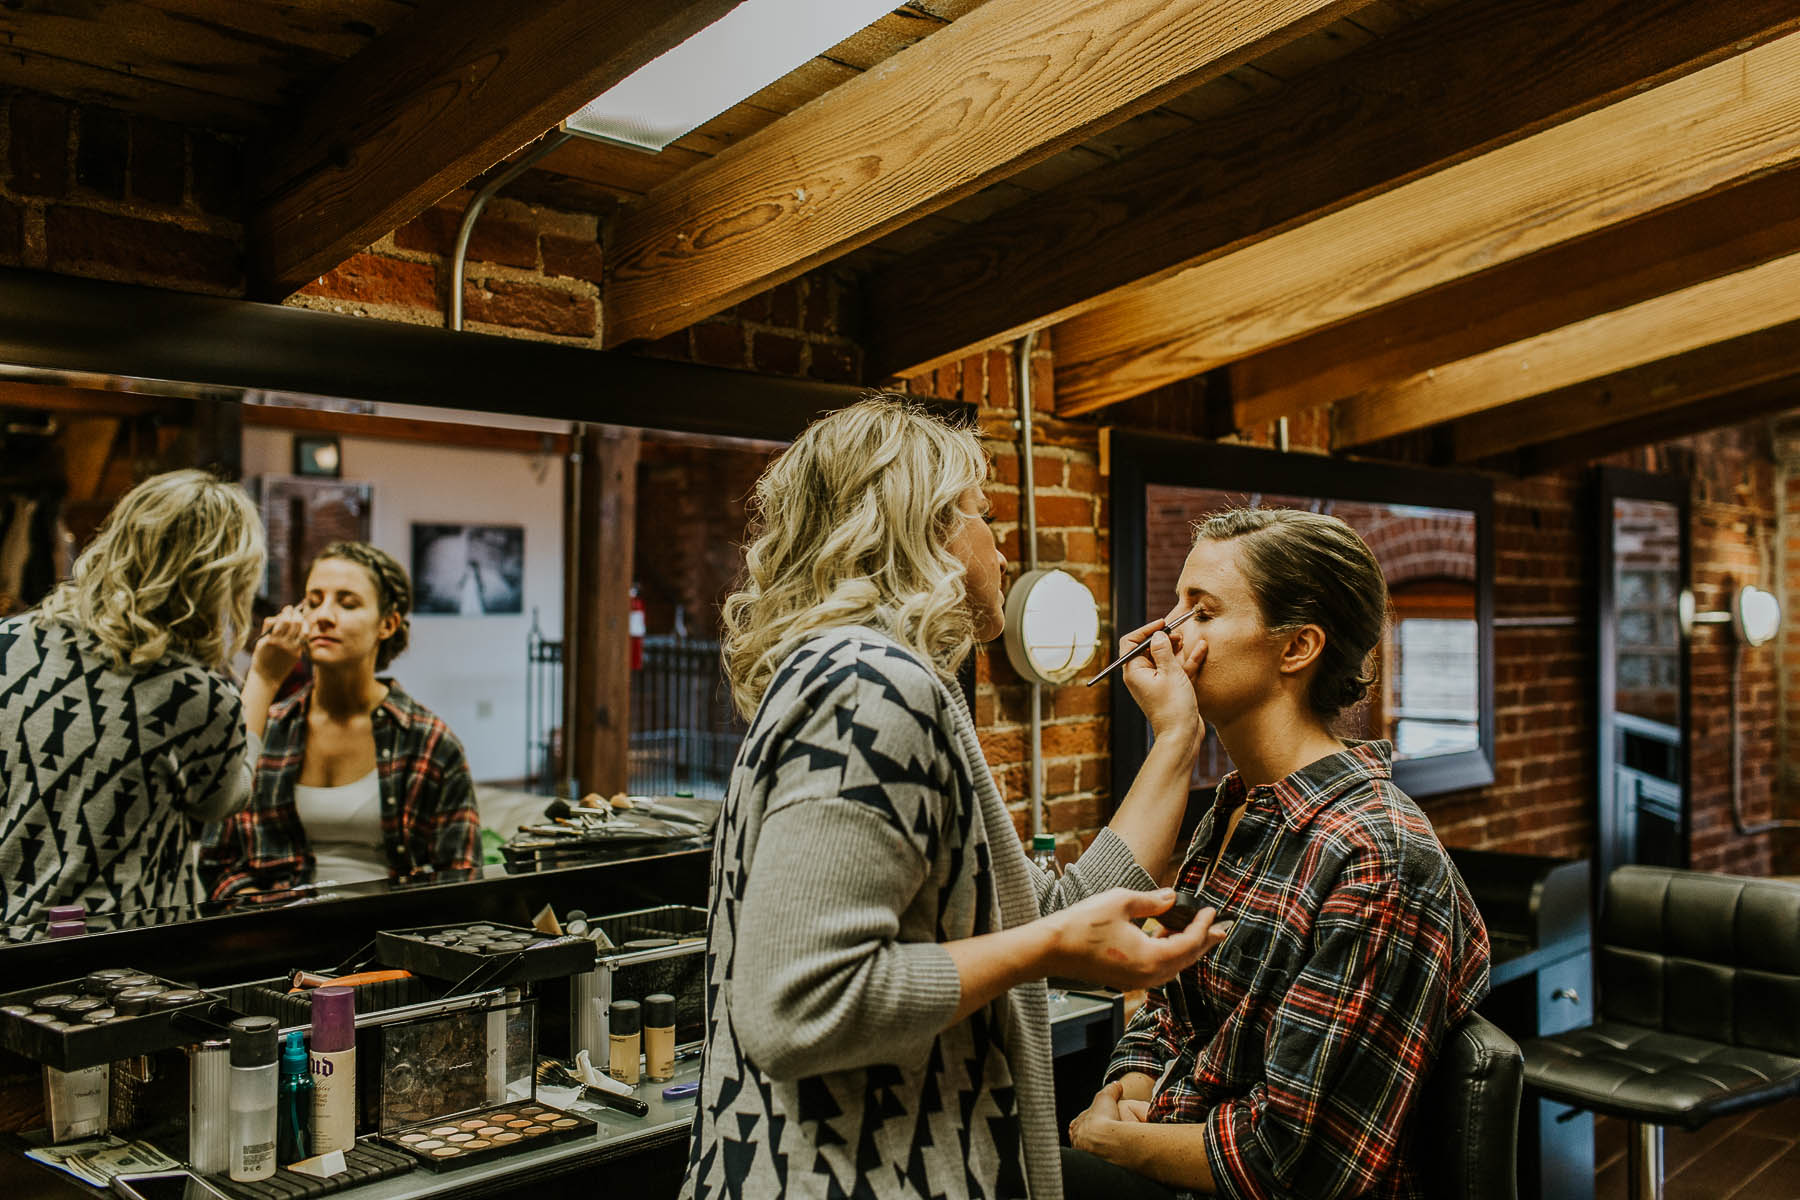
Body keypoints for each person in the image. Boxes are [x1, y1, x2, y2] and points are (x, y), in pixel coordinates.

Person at [683, 396, 1229, 1200]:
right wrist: (1047, 948)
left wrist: (1176, 735)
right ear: (927, 528)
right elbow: (800, 1004)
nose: (1002, 550)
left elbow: (1056, 908)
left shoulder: (871, 679)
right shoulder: (869, 687)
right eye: (985, 516)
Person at [1063, 508, 1491, 1200]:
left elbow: (1296, 1161)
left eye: (1202, 612)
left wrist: (1115, 1142)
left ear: (1297, 648)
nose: (1167, 634)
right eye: (1176, 605)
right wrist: (1127, 1090)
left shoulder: (1378, 856)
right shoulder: (1239, 809)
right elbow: (1176, 1014)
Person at [0, 469, 265, 924]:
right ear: (217, 581)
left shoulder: (6, 642)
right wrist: (264, 679)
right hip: (126, 944)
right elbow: (223, 798)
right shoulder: (193, 694)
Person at [202, 541, 479, 895]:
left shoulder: (429, 742)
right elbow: (218, 861)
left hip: (393, 925)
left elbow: (460, 878)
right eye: (313, 601)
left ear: (387, 624)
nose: (324, 616)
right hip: (276, 923)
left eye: (347, 604)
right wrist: (261, 914)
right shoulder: (267, 728)